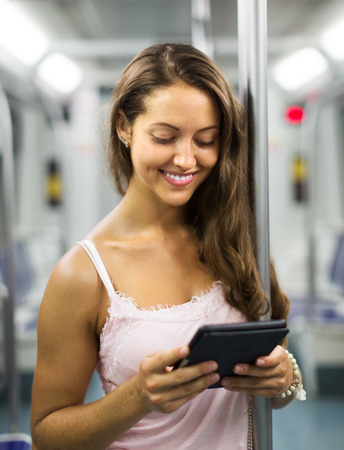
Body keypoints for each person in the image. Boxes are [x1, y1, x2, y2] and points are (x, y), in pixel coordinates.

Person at [31, 43, 303, 450]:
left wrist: (284, 380)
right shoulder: (82, 273)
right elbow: (47, 436)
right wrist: (138, 396)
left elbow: (274, 388)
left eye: (206, 140)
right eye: (165, 137)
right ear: (124, 126)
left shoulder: (237, 240)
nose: (186, 159)